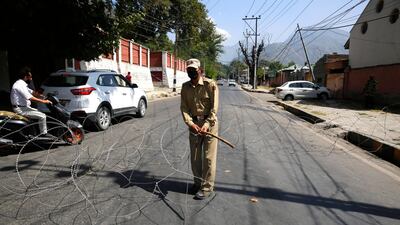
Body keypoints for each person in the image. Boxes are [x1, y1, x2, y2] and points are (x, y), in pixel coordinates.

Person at [180, 58, 219, 200]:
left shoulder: (210, 85)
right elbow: (184, 108)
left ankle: (207, 187)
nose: (191, 72)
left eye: (194, 70)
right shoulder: (185, 87)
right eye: (188, 70)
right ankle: (197, 183)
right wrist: (190, 123)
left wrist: (207, 125)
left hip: (210, 125)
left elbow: (214, 109)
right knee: (195, 158)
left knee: (208, 158)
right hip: (194, 125)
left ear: (200, 70)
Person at [10, 67, 53, 138]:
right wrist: (44, 101)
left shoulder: (22, 84)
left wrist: (44, 97)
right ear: (25, 77)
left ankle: (36, 133)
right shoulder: (19, 86)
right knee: (42, 116)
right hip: (21, 109)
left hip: (24, 108)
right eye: (30, 77)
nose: (31, 79)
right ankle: (44, 134)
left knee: (39, 112)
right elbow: (31, 98)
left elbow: (32, 93)